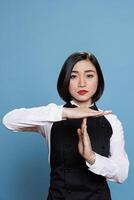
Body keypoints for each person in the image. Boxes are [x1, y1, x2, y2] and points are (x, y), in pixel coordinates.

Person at [2, 52, 129, 200]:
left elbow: (122, 174)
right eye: (73, 76)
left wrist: (92, 158)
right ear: (65, 80)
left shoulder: (111, 120)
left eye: (89, 75)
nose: (82, 83)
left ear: (98, 80)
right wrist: (65, 113)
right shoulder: (52, 117)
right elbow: (9, 121)